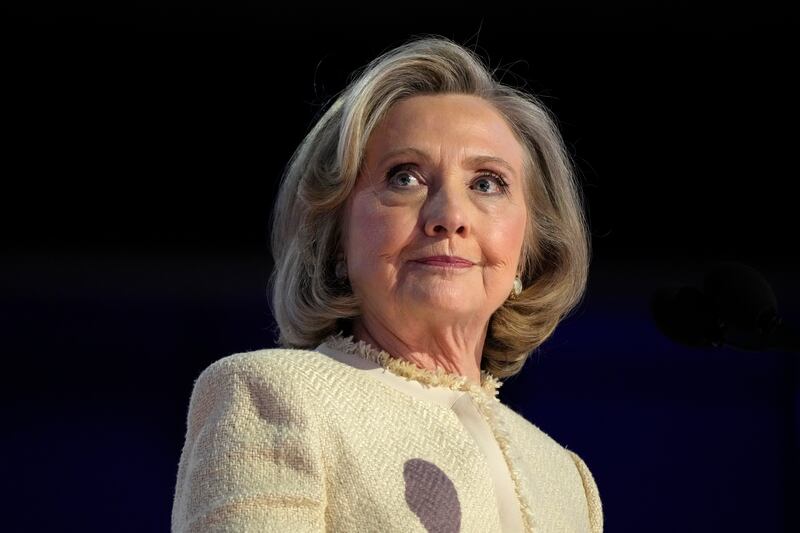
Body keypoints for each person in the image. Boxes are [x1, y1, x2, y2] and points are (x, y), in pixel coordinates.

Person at [171, 34, 603, 533]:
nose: (450, 217)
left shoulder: (566, 478)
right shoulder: (274, 396)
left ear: (529, 247)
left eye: (487, 183)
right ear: (334, 234)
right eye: (405, 178)